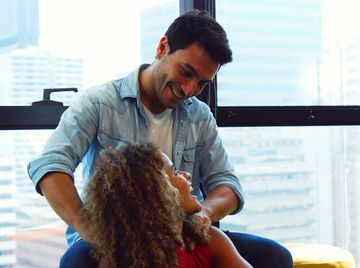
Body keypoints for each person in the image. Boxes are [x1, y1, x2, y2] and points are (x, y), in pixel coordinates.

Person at [27, 9, 293, 268]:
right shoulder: (98, 103)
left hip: (182, 232)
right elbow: (50, 167)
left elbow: (228, 185)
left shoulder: (199, 115)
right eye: (186, 72)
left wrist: (204, 213)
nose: (190, 89)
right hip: (118, 237)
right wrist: (89, 229)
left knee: (274, 256)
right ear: (162, 48)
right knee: (77, 262)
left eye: (201, 83)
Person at [79, 143, 252, 267]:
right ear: (157, 195)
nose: (187, 175)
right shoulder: (117, 261)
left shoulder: (210, 240)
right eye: (175, 172)